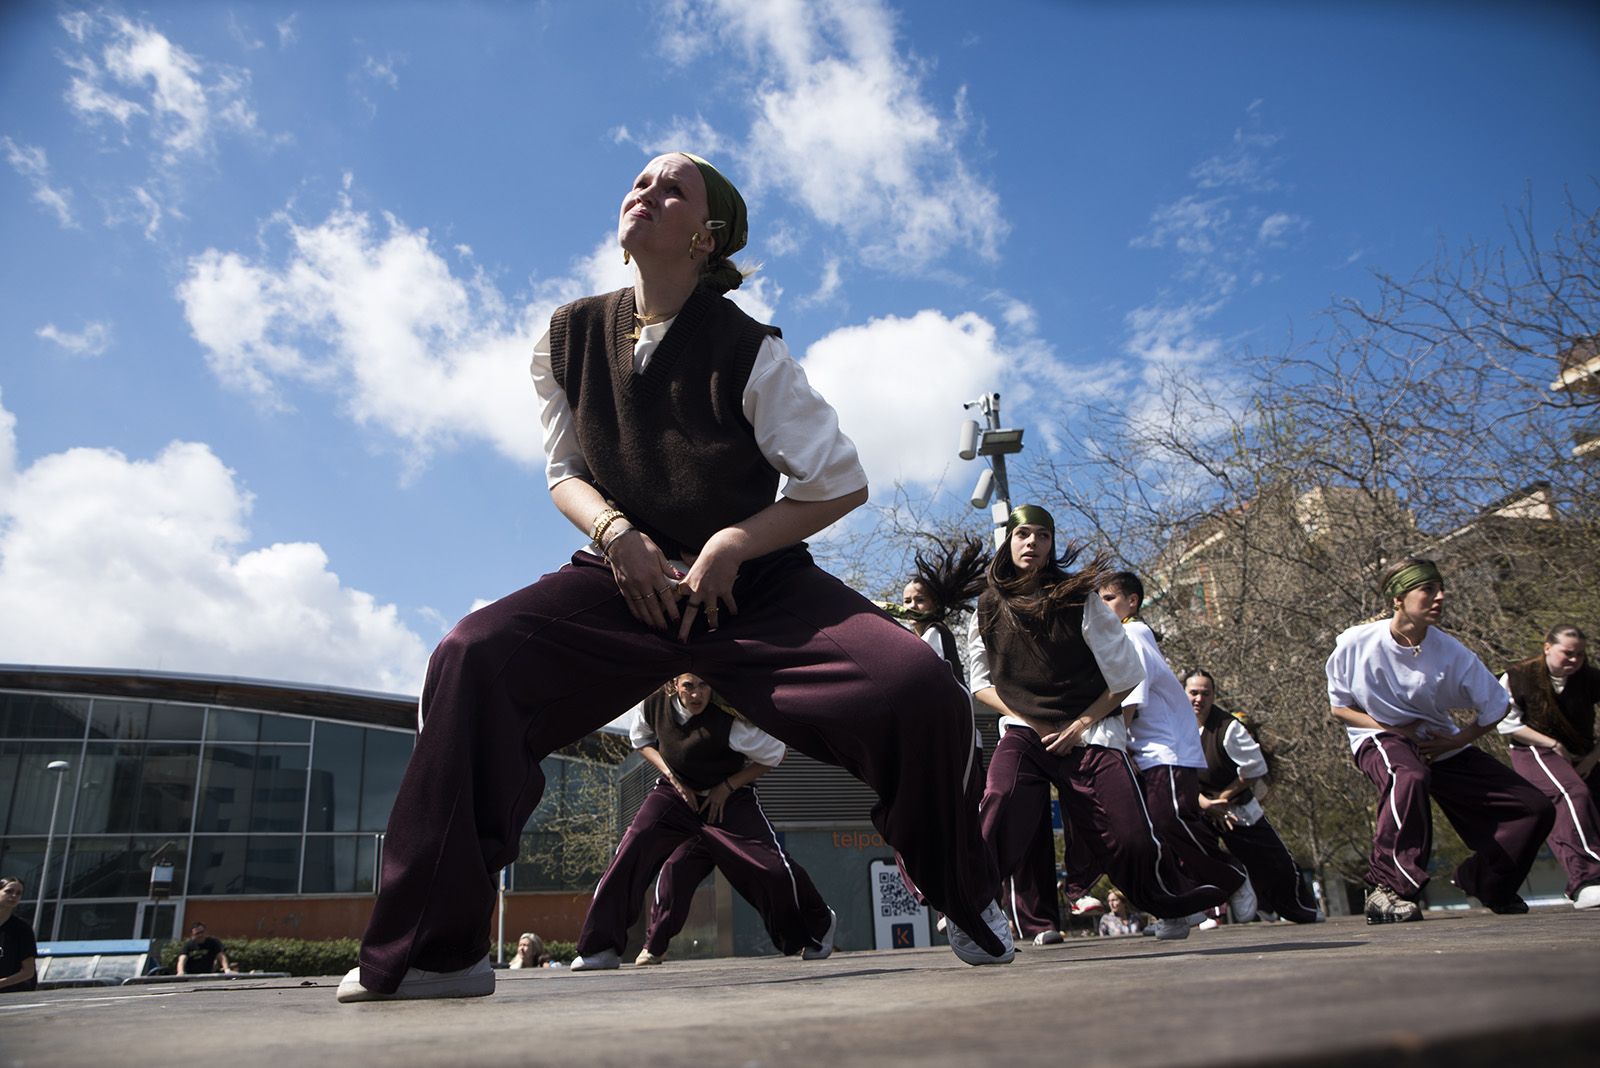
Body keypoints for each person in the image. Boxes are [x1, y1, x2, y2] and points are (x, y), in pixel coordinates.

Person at [338, 152, 1008, 1003]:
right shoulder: (569, 334)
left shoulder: (749, 348)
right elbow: (564, 470)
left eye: (672, 187)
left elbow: (838, 481)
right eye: (639, 180)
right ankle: (438, 950)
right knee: (470, 658)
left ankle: (967, 894)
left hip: (753, 588)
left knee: (920, 685)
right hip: (623, 579)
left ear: (707, 236)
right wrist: (616, 533)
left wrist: (733, 541)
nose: (645, 192)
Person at [968, 505, 1231, 946]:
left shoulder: (1080, 600)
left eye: (1042, 536)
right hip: (1026, 731)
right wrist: (1031, 720)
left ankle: (1170, 903)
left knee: (1129, 837)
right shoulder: (988, 605)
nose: (1032, 543)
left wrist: (1080, 724)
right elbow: (979, 682)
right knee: (1002, 798)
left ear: (1051, 546)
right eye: (1023, 534)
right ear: (1008, 542)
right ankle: (975, 906)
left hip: (1091, 730)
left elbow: (1126, 676)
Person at [1326, 557, 1554, 922]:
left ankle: (1488, 882)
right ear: (1398, 598)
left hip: (1435, 741)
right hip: (1377, 736)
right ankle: (1387, 889)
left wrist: (1456, 740)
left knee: (1534, 807)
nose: (1439, 597)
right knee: (1409, 775)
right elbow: (1340, 708)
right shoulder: (1357, 642)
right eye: (1427, 589)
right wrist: (1393, 731)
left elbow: (1495, 706)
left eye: (1441, 588)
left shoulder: (1451, 653)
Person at [571, 674, 835, 969]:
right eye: (689, 686)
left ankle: (818, 926)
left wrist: (728, 787)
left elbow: (775, 755)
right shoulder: (653, 704)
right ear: (674, 685)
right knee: (634, 847)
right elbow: (641, 740)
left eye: (705, 685)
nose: (697, 695)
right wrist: (672, 776)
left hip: (728, 802)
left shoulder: (728, 719)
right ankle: (601, 947)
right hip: (676, 795)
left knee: (771, 869)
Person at [1091, 573, 1251, 925]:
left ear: (1132, 601)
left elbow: (1130, 696)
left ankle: (1231, 876)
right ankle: (1182, 906)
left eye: (1109, 599)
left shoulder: (1133, 633)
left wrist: (1115, 742)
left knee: (1170, 820)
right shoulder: (1117, 638)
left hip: (1167, 750)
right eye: (1098, 600)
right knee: (1150, 833)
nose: (1102, 607)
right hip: (1145, 755)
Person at [1186, 670, 1322, 924]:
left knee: (1273, 861)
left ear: (1213, 695)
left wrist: (1223, 799)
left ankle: (1298, 906)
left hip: (1233, 807)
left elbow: (1255, 768)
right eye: (1193, 692)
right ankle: (1190, 909)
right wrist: (1204, 803)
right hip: (1198, 805)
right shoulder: (1175, 725)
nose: (1199, 699)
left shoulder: (1227, 728)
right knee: (1179, 843)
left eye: (1206, 693)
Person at [1497, 624, 1600, 910]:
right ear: (1547, 647)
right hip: (1533, 750)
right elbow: (1505, 723)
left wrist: (1593, 757)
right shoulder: (1518, 676)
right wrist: (1552, 744)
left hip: (1582, 753)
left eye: (1579, 655)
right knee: (1571, 795)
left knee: (1588, 800)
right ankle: (1588, 880)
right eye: (1567, 653)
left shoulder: (1590, 678)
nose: (1574, 660)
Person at [0, 876, 39, 994]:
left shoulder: (22, 929)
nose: (13, 896)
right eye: (9, 891)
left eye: (18, 893)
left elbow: (28, 972)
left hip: (14, 995)